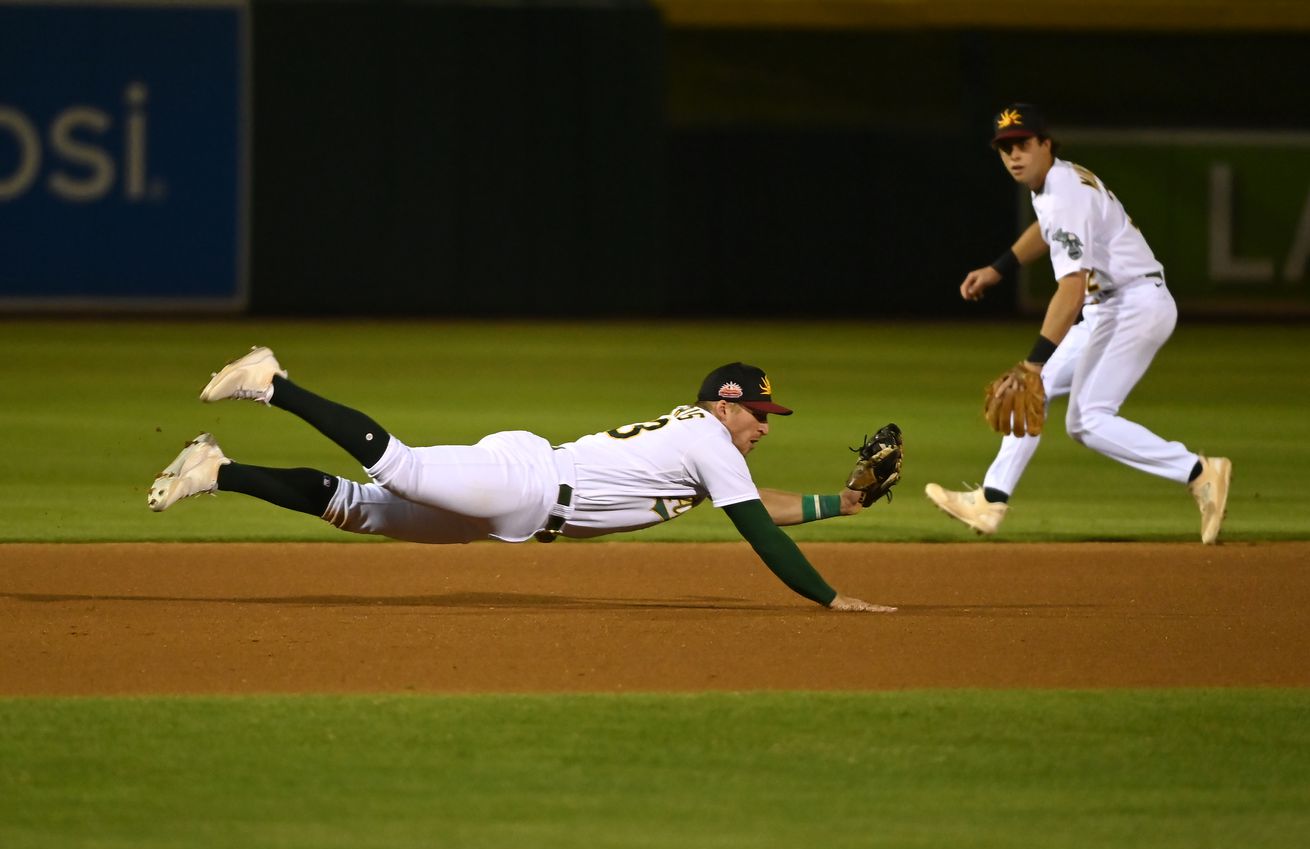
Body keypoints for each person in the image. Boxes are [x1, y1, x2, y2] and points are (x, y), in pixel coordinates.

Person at [147, 348, 896, 612]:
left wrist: (849, 501)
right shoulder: (711, 437)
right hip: (529, 483)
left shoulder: (709, 450)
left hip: (524, 501)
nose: (766, 426)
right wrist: (830, 596)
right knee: (398, 467)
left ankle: (215, 467)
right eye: (760, 413)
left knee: (363, 511)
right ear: (726, 404)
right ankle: (272, 381)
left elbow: (763, 505)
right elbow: (758, 531)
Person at [924, 103, 1232, 543]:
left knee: (1085, 419)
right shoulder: (1055, 183)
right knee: (1039, 391)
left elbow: (1070, 291)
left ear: (1046, 144)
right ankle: (991, 499)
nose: (1014, 155)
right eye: (1005, 147)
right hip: (1117, 303)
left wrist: (1032, 362)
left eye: (1024, 144)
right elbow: (1045, 229)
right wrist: (998, 268)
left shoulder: (1064, 192)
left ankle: (1200, 471)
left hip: (1133, 305)